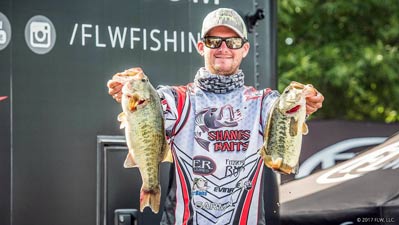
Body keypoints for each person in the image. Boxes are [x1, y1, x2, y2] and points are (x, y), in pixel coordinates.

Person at [107, 8, 324, 225]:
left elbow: (286, 114)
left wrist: (306, 100)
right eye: (214, 41)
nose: (223, 48)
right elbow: (147, 108)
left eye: (233, 42)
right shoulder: (177, 99)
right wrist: (128, 90)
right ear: (201, 47)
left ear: (245, 49)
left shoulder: (262, 102)